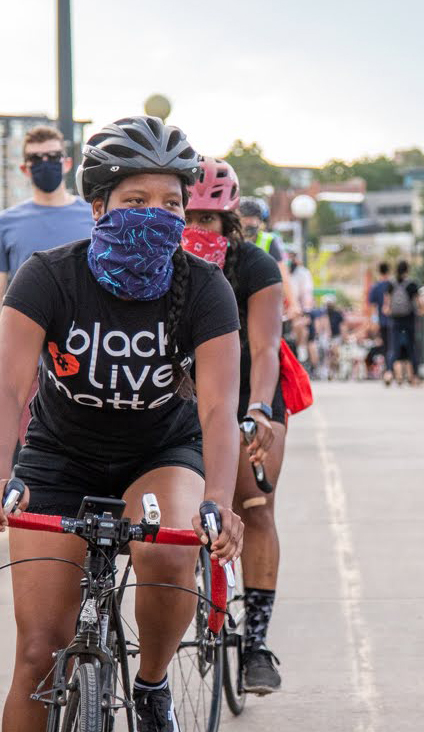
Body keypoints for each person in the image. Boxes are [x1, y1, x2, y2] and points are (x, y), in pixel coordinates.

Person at [0, 116, 244, 732]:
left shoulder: (203, 288)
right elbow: (6, 387)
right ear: (96, 208)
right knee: (37, 649)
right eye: (136, 202)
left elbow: (217, 409)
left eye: (172, 206)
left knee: (171, 552)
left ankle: (151, 684)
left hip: (160, 452)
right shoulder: (48, 278)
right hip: (60, 456)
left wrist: (220, 498)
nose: (158, 216)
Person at [182, 157, 285, 695]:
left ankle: (257, 644)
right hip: (180, 396)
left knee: (255, 504)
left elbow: (267, 347)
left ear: (230, 221)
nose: (196, 229)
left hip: (248, 395)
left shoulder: (254, 267)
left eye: (208, 219)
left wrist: (260, 410)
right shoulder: (155, 261)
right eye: (188, 216)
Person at [0, 124, 94, 442]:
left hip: (87, 350)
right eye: (36, 158)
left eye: (53, 156)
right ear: (24, 168)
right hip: (25, 354)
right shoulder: (6, 222)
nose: (45, 163)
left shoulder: (93, 218)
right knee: (34, 445)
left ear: (67, 163)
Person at [239, 196, 299, 318]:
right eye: (244, 218)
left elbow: (284, 274)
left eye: (252, 218)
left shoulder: (269, 241)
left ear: (260, 221)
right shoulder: (228, 240)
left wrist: (294, 304)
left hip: (263, 300)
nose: (248, 222)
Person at [383, 259, 424, 385]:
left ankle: (389, 373)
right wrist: (422, 310)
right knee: (412, 347)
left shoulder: (391, 284)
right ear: (407, 270)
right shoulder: (412, 284)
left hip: (395, 319)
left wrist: (389, 311)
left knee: (393, 347)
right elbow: (419, 302)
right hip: (409, 318)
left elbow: (386, 306)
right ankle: (415, 376)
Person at [368, 262, 393, 384]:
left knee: (386, 347)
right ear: (388, 271)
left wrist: (374, 321)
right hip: (395, 321)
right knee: (394, 346)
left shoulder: (375, 287)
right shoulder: (392, 284)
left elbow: (373, 306)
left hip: (382, 321)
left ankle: (388, 370)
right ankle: (392, 370)